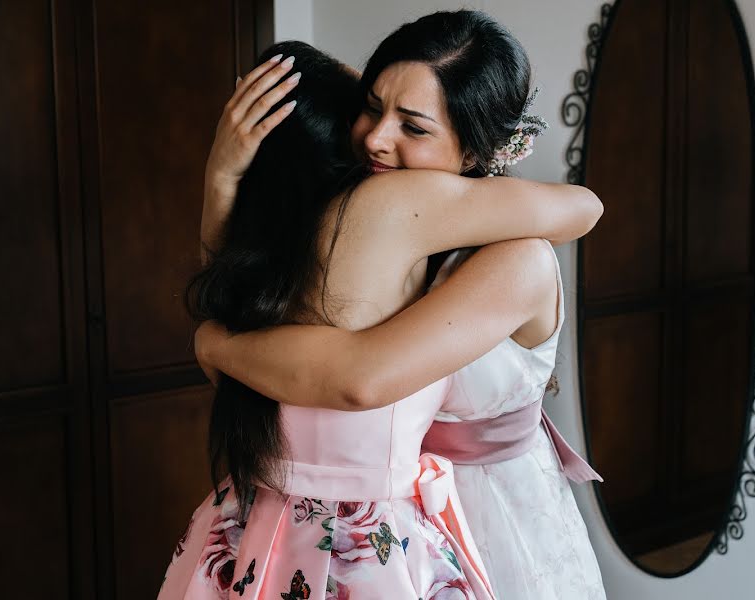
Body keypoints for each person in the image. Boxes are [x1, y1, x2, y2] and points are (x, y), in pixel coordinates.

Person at [161, 24, 599, 600]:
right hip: (400, 514)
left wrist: (213, 343)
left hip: (494, 514)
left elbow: (355, 377)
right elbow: (258, 318)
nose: (373, 139)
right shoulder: (361, 214)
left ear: (474, 150)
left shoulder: (511, 256)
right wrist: (222, 178)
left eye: (412, 126)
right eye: (369, 108)